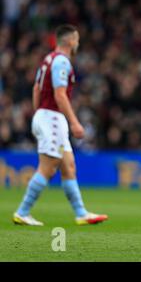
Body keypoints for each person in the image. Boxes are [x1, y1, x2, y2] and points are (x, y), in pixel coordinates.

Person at [13, 24, 108, 226]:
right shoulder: (62, 62)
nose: (78, 43)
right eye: (78, 40)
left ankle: (81, 213)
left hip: (46, 116)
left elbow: (36, 89)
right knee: (47, 168)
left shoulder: (48, 60)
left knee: (69, 166)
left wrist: (38, 112)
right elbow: (59, 94)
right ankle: (22, 212)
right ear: (71, 41)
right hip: (53, 118)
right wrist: (74, 122)